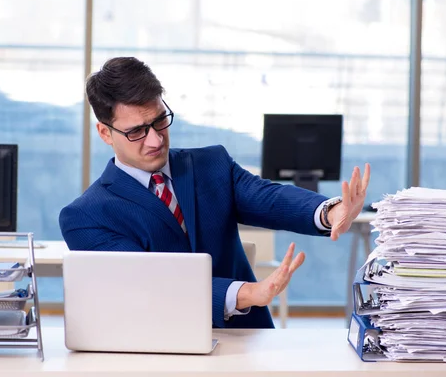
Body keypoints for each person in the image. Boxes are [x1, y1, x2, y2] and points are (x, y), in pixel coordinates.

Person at [59, 57, 371, 329]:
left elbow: (268, 198)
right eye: (137, 131)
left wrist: (331, 211)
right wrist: (246, 293)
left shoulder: (211, 164)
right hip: (158, 349)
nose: (155, 140)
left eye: (159, 121)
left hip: (246, 339)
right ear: (104, 133)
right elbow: (149, 283)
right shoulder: (85, 216)